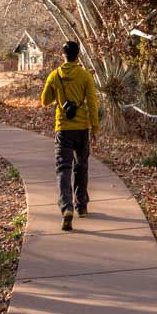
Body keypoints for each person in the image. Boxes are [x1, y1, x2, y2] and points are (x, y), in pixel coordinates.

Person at [40, 39, 99, 230]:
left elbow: (44, 100)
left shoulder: (54, 75)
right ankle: (81, 206)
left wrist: (56, 93)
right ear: (78, 55)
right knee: (81, 167)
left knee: (62, 168)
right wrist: (95, 128)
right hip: (81, 128)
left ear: (62, 55)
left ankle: (66, 207)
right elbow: (92, 103)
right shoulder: (85, 76)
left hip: (62, 129)